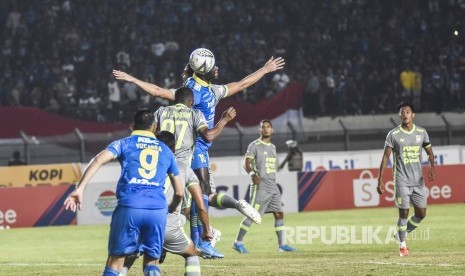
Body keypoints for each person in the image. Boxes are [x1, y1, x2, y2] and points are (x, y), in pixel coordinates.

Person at [113, 48, 275, 247]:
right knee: (201, 196)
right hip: (196, 149)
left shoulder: (188, 89)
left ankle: (205, 236)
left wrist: (133, 79)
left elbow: (157, 91)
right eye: (213, 66)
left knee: (201, 197)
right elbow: (242, 84)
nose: (217, 69)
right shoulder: (210, 92)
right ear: (205, 70)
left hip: (190, 150)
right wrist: (265, 70)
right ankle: (206, 237)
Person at [64, 109, 183, 276]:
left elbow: (99, 160)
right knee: (151, 262)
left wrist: (80, 188)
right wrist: (170, 208)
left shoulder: (123, 143)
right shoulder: (166, 150)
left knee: (116, 260)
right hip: (157, 209)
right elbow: (179, 192)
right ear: (155, 127)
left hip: (130, 206)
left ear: (132, 126)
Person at [377, 102, 434, 257]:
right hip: (401, 180)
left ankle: (401, 233)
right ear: (399, 115)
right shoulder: (393, 135)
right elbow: (386, 157)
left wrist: (432, 168)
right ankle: (402, 246)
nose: (404, 114)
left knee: (421, 214)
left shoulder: (422, 132)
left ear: (413, 115)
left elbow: (429, 152)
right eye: (402, 112)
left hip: (418, 181)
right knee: (404, 212)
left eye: (407, 112)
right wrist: (380, 179)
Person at [232, 119, 296, 254]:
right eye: (263, 127)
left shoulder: (273, 147)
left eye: (268, 127)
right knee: (252, 215)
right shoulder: (254, 145)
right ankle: (238, 242)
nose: (266, 129)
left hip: (273, 186)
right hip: (260, 186)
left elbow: (274, 167)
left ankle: (282, 245)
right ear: (259, 130)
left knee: (279, 213)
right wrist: (251, 174)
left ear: (272, 130)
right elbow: (246, 162)